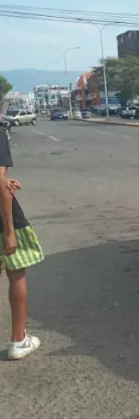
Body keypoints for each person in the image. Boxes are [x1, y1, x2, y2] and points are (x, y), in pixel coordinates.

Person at [0, 121, 44, 360]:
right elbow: (0, 184)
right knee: (16, 273)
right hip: (3, 218)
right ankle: (18, 340)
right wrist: (9, 230)